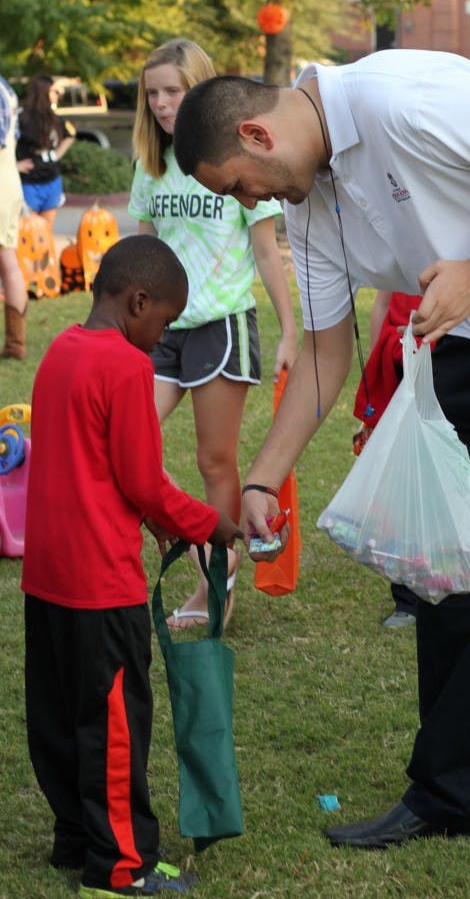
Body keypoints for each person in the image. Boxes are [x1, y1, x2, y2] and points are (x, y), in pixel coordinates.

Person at [172, 50, 470, 895]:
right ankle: (444, 793)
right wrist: (261, 480)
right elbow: (327, 356)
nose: (251, 203)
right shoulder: (311, 193)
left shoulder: (401, 98)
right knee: (453, 578)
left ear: (258, 132)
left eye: (242, 185)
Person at [21, 235, 243, 897]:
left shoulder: (59, 350)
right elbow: (145, 485)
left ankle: (75, 839)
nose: (162, 336)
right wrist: (213, 525)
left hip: (47, 584)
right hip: (100, 591)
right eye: (165, 322)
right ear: (137, 300)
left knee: (59, 720)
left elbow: (94, 466)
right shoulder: (125, 367)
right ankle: (123, 863)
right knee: (114, 727)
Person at [129, 38, 297, 629]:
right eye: (152, 94)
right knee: (128, 437)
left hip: (222, 324)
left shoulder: (232, 157)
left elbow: (268, 253)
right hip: (164, 332)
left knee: (214, 460)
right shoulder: (149, 166)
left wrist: (289, 332)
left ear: (196, 89)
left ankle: (214, 584)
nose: (161, 104)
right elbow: (144, 254)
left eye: (172, 91)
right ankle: (198, 550)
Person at [352, 289, 422, 629]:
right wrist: (376, 374)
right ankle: (407, 597)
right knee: (400, 481)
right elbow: (382, 300)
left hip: (443, 353)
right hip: (397, 360)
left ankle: (447, 576)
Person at [15, 74, 76, 227]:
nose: (58, 95)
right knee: (30, 229)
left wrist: (56, 154)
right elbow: (7, 144)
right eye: (54, 91)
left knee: (46, 230)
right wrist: (14, 166)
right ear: (43, 91)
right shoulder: (22, 117)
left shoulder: (54, 117)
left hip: (51, 178)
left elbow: (70, 135)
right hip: (29, 181)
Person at [0, 75, 28, 359]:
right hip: (9, 182)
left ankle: (15, 343)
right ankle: (15, 343)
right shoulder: (6, 88)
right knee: (8, 259)